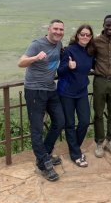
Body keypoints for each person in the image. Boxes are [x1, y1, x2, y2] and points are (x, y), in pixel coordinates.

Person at [17, 19, 66, 182]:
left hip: (51, 89)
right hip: (35, 90)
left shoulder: (59, 44)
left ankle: (43, 155)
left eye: (61, 30)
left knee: (60, 121)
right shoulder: (37, 44)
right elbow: (21, 62)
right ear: (49, 29)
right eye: (56, 29)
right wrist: (36, 58)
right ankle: (44, 163)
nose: (58, 32)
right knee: (37, 128)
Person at [57, 24, 95, 168]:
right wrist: (68, 66)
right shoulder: (69, 50)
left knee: (85, 121)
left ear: (91, 37)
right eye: (82, 34)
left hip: (81, 92)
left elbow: (96, 64)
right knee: (70, 124)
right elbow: (60, 72)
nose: (85, 37)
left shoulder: (90, 52)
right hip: (66, 92)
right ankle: (76, 154)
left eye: (88, 35)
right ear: (78, 35)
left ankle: (75, 149)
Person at [93, 14, 111, 158]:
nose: (110, 27)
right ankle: (99, 142)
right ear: (103, 24)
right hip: (100, 80)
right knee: (98, 113)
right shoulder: (96, 41)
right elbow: (87, 54)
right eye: (108, 25)